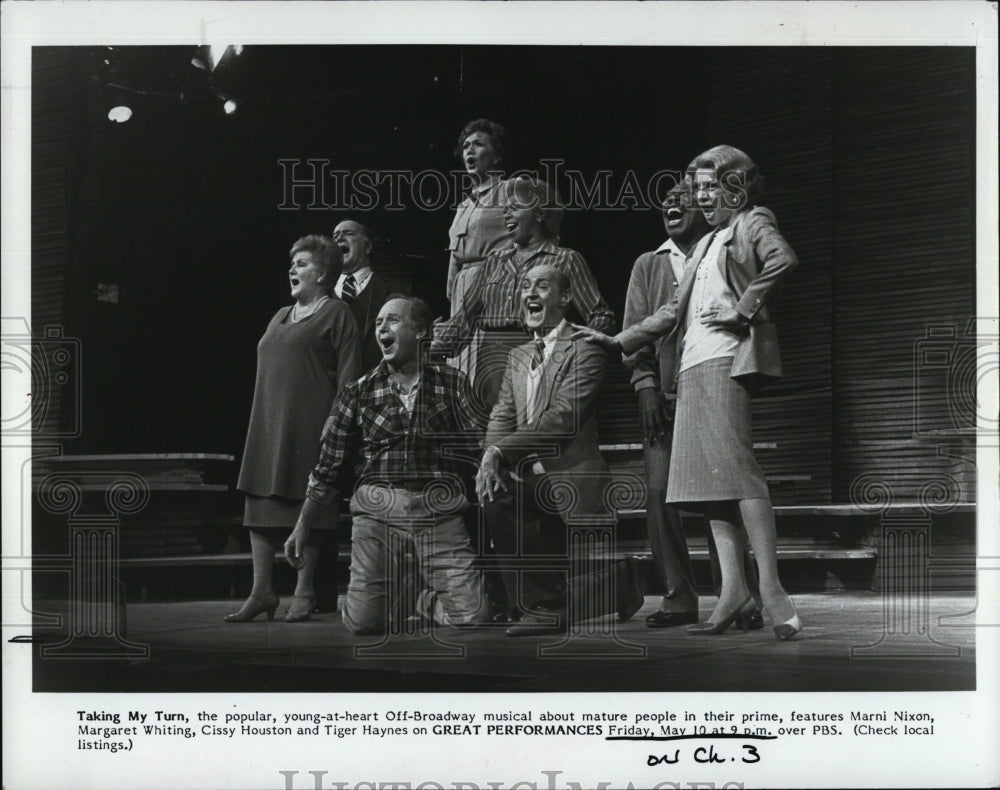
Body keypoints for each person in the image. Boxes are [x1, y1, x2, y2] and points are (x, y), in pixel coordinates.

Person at [574, 145, 802, 639]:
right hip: (692, 367)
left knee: (739, 473)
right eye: (697, 189)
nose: (701, 198)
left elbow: (782, 260)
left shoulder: (751, 221)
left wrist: (743, 310)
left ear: (736, 186)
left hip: (726, 359)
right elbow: (669, 312)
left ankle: (772, 587)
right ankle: (732, 590)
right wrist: (619, 339)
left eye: (709, 188)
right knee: (709, 488)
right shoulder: (703, 244)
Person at [285, 296, 488, 635]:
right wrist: (303, 524)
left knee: (473, 616)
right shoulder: (360, 390)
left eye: (392, 321)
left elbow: (478, 443)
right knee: (362, 624)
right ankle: (402, 592)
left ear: (421, 331)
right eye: (379, 323)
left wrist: (492, 467)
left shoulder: (452, 383)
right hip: (378, 511)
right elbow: (329, 465)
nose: (382, 329)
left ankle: (422, 599)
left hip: (437, 508)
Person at [623, 177, 762, 629]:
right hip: (663, 397)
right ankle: (679, 595)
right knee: (662, 492)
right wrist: (645, 386)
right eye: (666, 200)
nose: (672, 204)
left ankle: (741, 595)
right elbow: (638, 329)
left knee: (723, 489)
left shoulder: (722, 250)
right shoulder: (649, 263)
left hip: (712, 382)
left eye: (683, 198)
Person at [476, 264, 643, 637]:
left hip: (567, 482)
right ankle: (616, 581)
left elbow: (562, 419)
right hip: (528, 482)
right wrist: (490, 456)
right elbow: (501, 416)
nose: (530, 293)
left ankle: (546, 607)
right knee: (493, 493)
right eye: (524, 286)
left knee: (555, 580)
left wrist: (500, 452)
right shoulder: (517, 357)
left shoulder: (587, 347)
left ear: (565, 298)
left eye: (541, 286)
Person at [229, 234, 361, 623]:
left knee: (310, 507)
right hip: (269, 423)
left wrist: (338, 421)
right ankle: (262, 591)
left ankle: (303, 591)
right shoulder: (279, 315)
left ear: (322, 274)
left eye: (302, 263)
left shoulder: (338, 314)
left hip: (312, 423)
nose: (293, 269)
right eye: (293, 263)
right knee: (259, 504)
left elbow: (351, 378)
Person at [434, 176, 615, 427]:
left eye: (515, 208)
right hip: (492, 365)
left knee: (539, 447)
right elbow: (463, 320)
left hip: (541, 360)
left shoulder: (566, 260)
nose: (507, 215)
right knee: (494, 446)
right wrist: (429, 351)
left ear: (540, 213)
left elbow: (601, 316)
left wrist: (574, 353)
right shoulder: (494, 262)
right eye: (504, 210)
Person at [446, 119, 512, 385]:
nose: (469, 151)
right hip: (461, 296)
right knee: (462, 374)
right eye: (465, 146)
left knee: (490, 375)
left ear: (495, 155)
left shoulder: (510, 189)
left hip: (494, 290)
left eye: (478, 145)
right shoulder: (464, 204)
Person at [332, 219, 408, 373]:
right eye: (335, 236)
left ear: (367, 247)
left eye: (348, 233)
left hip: (376, 386)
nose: (339, 238)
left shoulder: (398, 289)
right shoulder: (316, 292)